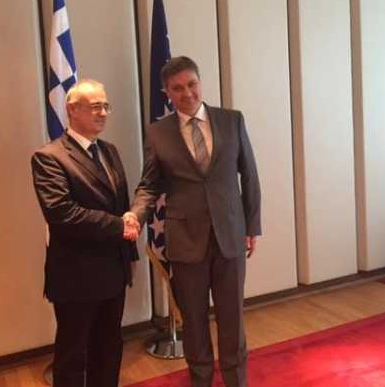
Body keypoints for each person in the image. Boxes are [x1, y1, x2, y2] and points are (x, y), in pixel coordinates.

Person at [126, 56, 261, 387]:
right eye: (177, 88)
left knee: (232, 321)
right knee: (195, 324)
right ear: (167, 93)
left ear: (200, 82)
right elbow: (149, 185)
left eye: (191, 84)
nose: (187, 93)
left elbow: (250, 175)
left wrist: (252, 226)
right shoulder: (158, 132)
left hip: (230, 236)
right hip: (185, 242)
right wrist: (136, 214)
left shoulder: (232, 120)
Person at [31, 79, 140, 387]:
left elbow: (121, 205)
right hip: (76, 276)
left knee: (109, 349)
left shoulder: (109, 151)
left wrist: (130, 254)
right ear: (72, 110)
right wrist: (119, 227)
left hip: (114, 271)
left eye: (106, 106)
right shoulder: (49, 157)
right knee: (72, 355)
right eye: (95, 107)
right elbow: (62, 213)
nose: (103, 113)